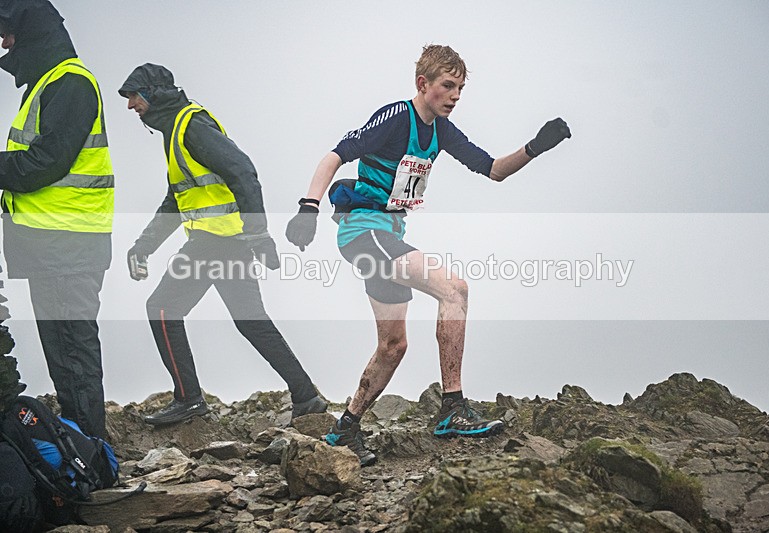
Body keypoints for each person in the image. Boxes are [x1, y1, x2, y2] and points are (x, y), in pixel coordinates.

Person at [286, 44, 570, 466]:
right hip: (365, 233)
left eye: (460, 88)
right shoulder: (395, 117)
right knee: (454, 289)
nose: (455, 96)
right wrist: (308, 207)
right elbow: (335, 155)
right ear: (424, 84)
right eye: (447, 86)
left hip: (386, 236)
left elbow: (492, 169)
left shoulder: (441, 131)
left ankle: (345, 428)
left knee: (393, 346)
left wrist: (535, 147)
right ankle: (452, 407)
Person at [119, 64, 327, 426]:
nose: (130, 105)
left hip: (216, 242)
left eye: (134, 95)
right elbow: (177, 199)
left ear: (152, 93)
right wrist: (143, 246)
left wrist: (259, 234)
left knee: (162, 309)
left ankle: (188, 399)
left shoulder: (191, 124)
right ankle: (306, 395)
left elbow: (243, 171)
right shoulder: (175, 131)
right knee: (251, 322)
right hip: (226, 243)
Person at [0, 0, 114, 439]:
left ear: (32, 31)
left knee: (73, 354)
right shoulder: (51, 82)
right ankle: (84, 452)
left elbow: (45, 164)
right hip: (54, 244)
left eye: (8, 33)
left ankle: (91, 457)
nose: (6, 43)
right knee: (66, 356)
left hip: (68, 244)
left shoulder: (71, 83)